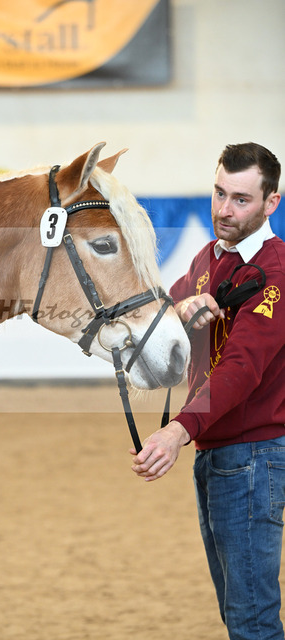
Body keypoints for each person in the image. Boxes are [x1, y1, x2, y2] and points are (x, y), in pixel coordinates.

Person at [131, 142, 285, 639]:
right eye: (219, 193)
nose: (224, 210)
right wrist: (180, 310)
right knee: (238, 612)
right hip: (219, 452)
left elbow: (241, 369)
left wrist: (176, 431)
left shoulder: (276, 272)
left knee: (252, 619)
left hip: (254, 455)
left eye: (241, 199)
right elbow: (159, 312)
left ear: (271, 203)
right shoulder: (206, 258)